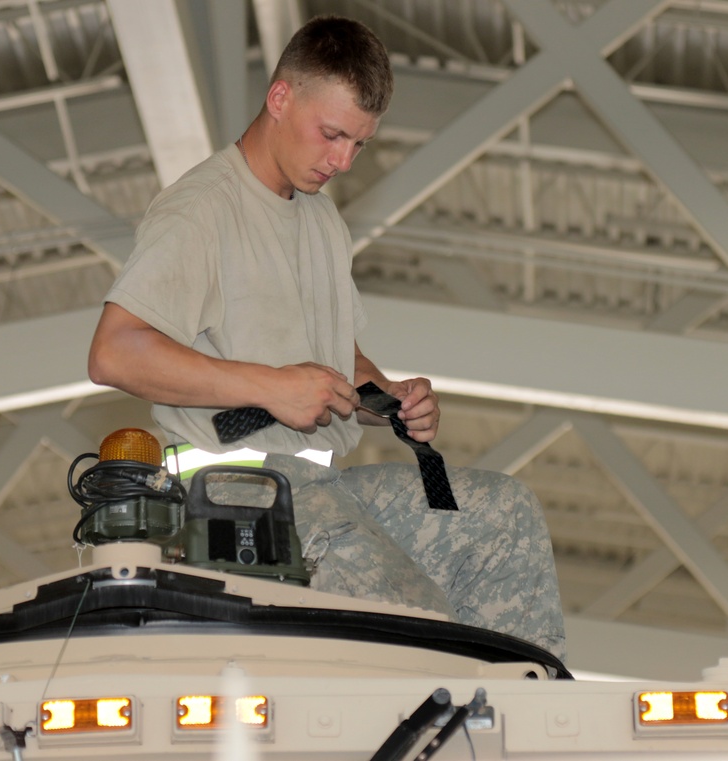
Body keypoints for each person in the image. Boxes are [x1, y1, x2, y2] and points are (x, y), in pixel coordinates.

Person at [88, 15, 565, 659]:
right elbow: (114, 351)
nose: (342, 161)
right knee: (420, 628)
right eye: (332, 134)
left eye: (359, 145)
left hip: (321, 487)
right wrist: (272, 388)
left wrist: (390, 397)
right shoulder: (201, 209)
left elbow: (340, 364)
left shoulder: (319, 216)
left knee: (504, 516)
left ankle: (519, 714)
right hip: (233, 493)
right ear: (280, 98)